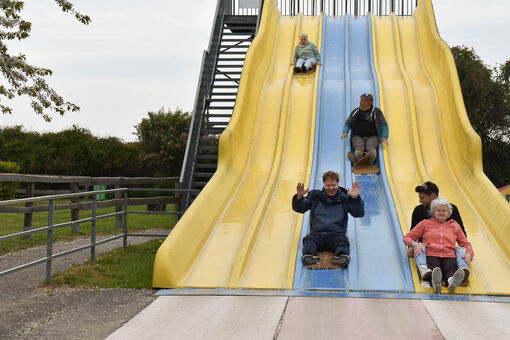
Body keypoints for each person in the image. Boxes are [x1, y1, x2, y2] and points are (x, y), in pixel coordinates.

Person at [292, 171, 365, 267]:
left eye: (333, 185)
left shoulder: (345, 198)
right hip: (317, 234)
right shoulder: (315, 196)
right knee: (309, 241)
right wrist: (299, 198)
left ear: (337, 184)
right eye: (328, 185)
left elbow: (358, 213)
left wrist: (355, 199)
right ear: (324, 184)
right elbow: (300, 208)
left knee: (342, 242)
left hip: (336, 234)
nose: (331, 188)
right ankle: (308, 256)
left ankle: (342, 257)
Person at [403, 196, 474, 294]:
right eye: (438, 210)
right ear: (433, 212)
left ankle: (452, 281)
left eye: (444, 211)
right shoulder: (425, 224)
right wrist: (414, 244)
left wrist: (469, 253)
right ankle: (434, 280)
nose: (441, 213)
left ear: (448, 213)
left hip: (449, 256)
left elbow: (465, 243)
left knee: (452, 266)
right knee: (435, 269)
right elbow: (407, 237)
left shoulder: (454, 226)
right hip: (431, 255)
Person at [408, 181, 471, 283]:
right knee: (427, 256)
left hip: (447, 248)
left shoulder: (451, 209)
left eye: (422, 198)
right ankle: (431, 275)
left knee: (458, 253)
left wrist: (468, 251)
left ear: (432, 196)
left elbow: (462, 234)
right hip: (428, 248)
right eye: (419, 197)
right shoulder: (419, 211)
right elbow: (412, 233)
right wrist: (412, 246)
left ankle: (457, 274)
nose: (420, 201)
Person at [341, 93, 389, 165]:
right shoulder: (356, 112)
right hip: (357, 136)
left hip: (372, 136)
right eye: (360, 100)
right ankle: (359, 158)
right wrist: (345, 132)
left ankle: (370, 159)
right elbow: (348, 123)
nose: (360, 103)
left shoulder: (376, 112)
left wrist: (384, 137)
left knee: (371, 147)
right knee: (359, 147)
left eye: (362, 101)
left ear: (368, 102)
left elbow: (384, 125)